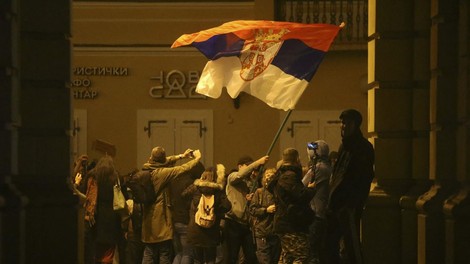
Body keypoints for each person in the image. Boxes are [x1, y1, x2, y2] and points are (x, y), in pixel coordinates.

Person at [326, 109, 375, 264]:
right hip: (335, 204)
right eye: (342, 122)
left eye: (347, 123)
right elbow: (338, 175)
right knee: (329, 244)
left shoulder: (363, 148)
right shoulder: (344, 147)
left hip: (349, 206)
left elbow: (362, 178)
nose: (343, 126)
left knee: (351, 245)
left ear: (355, 125)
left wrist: (351, 203)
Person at [141, 146, 202, 264]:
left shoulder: (147, 167)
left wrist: (181, 156)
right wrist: (197, 159)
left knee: (149, 251)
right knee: (164, 252)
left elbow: (165, 161)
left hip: (148, 219)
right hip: (160, 220)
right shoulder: (162, 173)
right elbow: (183, 168)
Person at [267, 148, 316, 264]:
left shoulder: (281, 174)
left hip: (284, 222)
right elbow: (300, 195)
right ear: (297, 159)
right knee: (302, 254)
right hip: (291, 223)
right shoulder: (289, 176)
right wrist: (310, 189)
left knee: (287, 256)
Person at [223, 155, 269, 264]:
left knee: (251, 256)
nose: (251, 168)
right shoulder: (232, 177)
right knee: (231, 256)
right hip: (233, 222)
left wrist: (247, 197)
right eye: (247, 166)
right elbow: (239, 175)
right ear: (240, 166)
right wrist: (257, 162)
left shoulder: (247, 183)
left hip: (245, 223)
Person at [83, 155, 126, 264]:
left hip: (95, 218)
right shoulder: (116, 178)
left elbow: (85, 193)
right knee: (109, 251)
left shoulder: (92, 177)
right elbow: (124, 196)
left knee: (97, 249)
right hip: (112, 219)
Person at [185, 165, 232, 264]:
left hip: (195, 229)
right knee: (211, 259)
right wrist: (216, 212)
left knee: (198, 259)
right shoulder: (218, 192)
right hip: (212, 230)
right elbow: (228, 206)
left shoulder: (196, 189)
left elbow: (183, 195)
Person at [302, 140, 332, 264]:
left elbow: (302, 185)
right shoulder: (329, 166)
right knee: (322, 251)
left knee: (311, 253)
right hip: (323, 213)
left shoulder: (317, 168)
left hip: (315, 214)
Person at [170, 161, 205, 264]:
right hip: (186, 220)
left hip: (174, 220)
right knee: (187, 253)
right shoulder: (192, 184)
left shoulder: (174, 181)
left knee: (179, 253)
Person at [249, 168, 281, 264]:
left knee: (275, 259)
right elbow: (252, 209)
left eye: (272, 176)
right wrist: (266, 210)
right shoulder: (259, 192)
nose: (269, 178)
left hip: (275, 232)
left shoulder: (278, 193)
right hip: (262, 232)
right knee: (264, 260)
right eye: (267, 176)